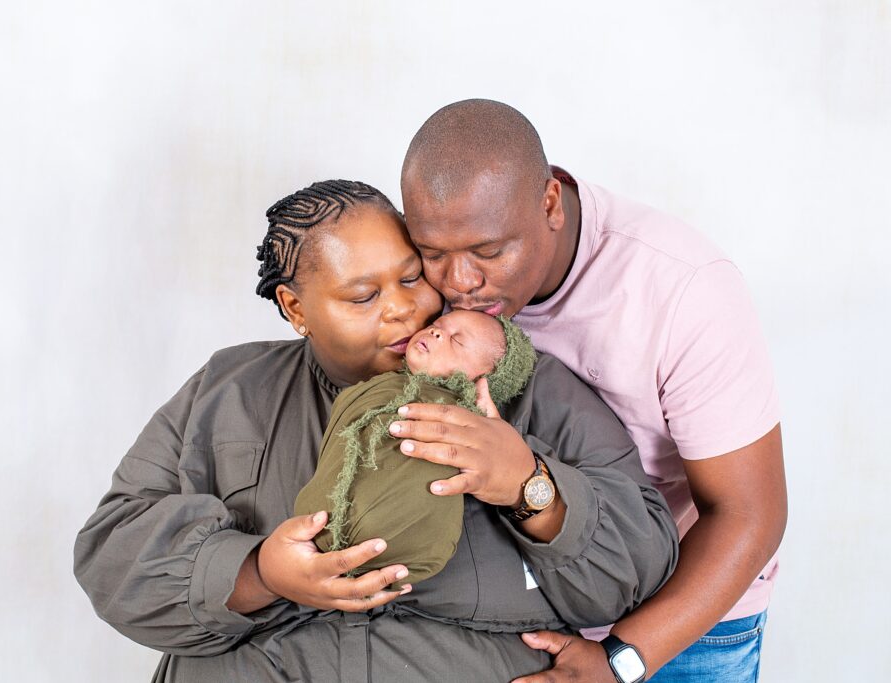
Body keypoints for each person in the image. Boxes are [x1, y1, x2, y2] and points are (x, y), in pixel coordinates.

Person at [74, 179, 679, 682]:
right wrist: (258, 572)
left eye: (412, 278)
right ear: (295, 308)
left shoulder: (521, 383)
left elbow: (637, 570)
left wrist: (528, 484)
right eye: (363, 296)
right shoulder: (230, 388)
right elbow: (111, 558)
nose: (402, 309)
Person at [398, 99, 787, 683]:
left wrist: (621, 660)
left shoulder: (684, 289)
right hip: (518, 609)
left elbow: (749, 513)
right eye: (433, 255)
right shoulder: (421, 279)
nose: (460, 284)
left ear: (550, 203)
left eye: (489, 252)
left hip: (676, 622)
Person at [294, 310, 537, 587]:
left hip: (401, 533)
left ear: (483, 382)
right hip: (318, 522)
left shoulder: (466, 420)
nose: (436, 332)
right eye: (436, 324)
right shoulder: (384, 385)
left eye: (457, 341)